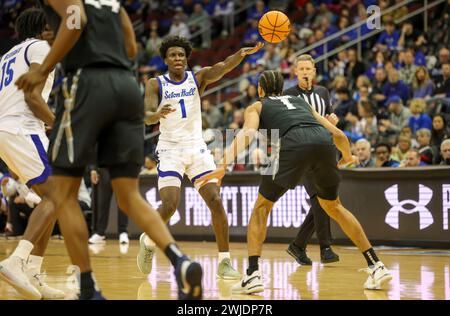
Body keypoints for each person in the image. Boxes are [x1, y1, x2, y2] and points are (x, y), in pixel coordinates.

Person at [12, 0, 202, 300]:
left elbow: (74, 21)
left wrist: (44, 69)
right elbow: (130, 45)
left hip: (87, 83)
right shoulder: (113, 3)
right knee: (129, 195)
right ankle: (180, 260)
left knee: (62, 194)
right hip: (126, 87)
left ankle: (88, 288)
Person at [197, 70, 392, 294]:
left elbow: (248, 133)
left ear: (260, 90)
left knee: (262, 207)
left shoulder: (257, 106)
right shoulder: (300, 102)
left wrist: (223, 163)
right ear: (281, 89)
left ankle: (252, 274)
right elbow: (337, 133)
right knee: (334, 206)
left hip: (292, 144)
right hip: (323, 143)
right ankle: (375, 264)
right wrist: (347, 157)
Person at [141, 35, 263, 279]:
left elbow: (223, 67)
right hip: (170, 148)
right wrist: (156, 115)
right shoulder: (156, 84)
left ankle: (224, 262)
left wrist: (240, 55)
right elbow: (146, 116)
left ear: (187, 58)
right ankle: (149, 239)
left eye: (181, 55)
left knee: (216, 200)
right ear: (165, 59)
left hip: (196, 146)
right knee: (170, 204)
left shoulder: (198, 78)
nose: (178, 59)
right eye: (173, 55)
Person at [0, 8, 65, 299]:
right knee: (57, 196)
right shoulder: (41, 47)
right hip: (22, 128)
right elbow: (32, 96)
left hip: (8, 130)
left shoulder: (8, 55)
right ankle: (16, 261)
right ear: (42, 28)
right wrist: (60, 125)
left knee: (49, 198)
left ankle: (34, 273)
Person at [283, 54, 339, 265]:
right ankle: (325, 248)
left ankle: (298, 245)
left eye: (309, 68)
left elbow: (330, 117)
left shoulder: (323, 92)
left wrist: (333, 120)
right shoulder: (288, 95)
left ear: (314, 72)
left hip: (324, 150)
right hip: (302, 153)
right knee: (319, 198)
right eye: (302, 69)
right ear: (295, 72)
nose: (305, 72)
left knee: (324, 199)